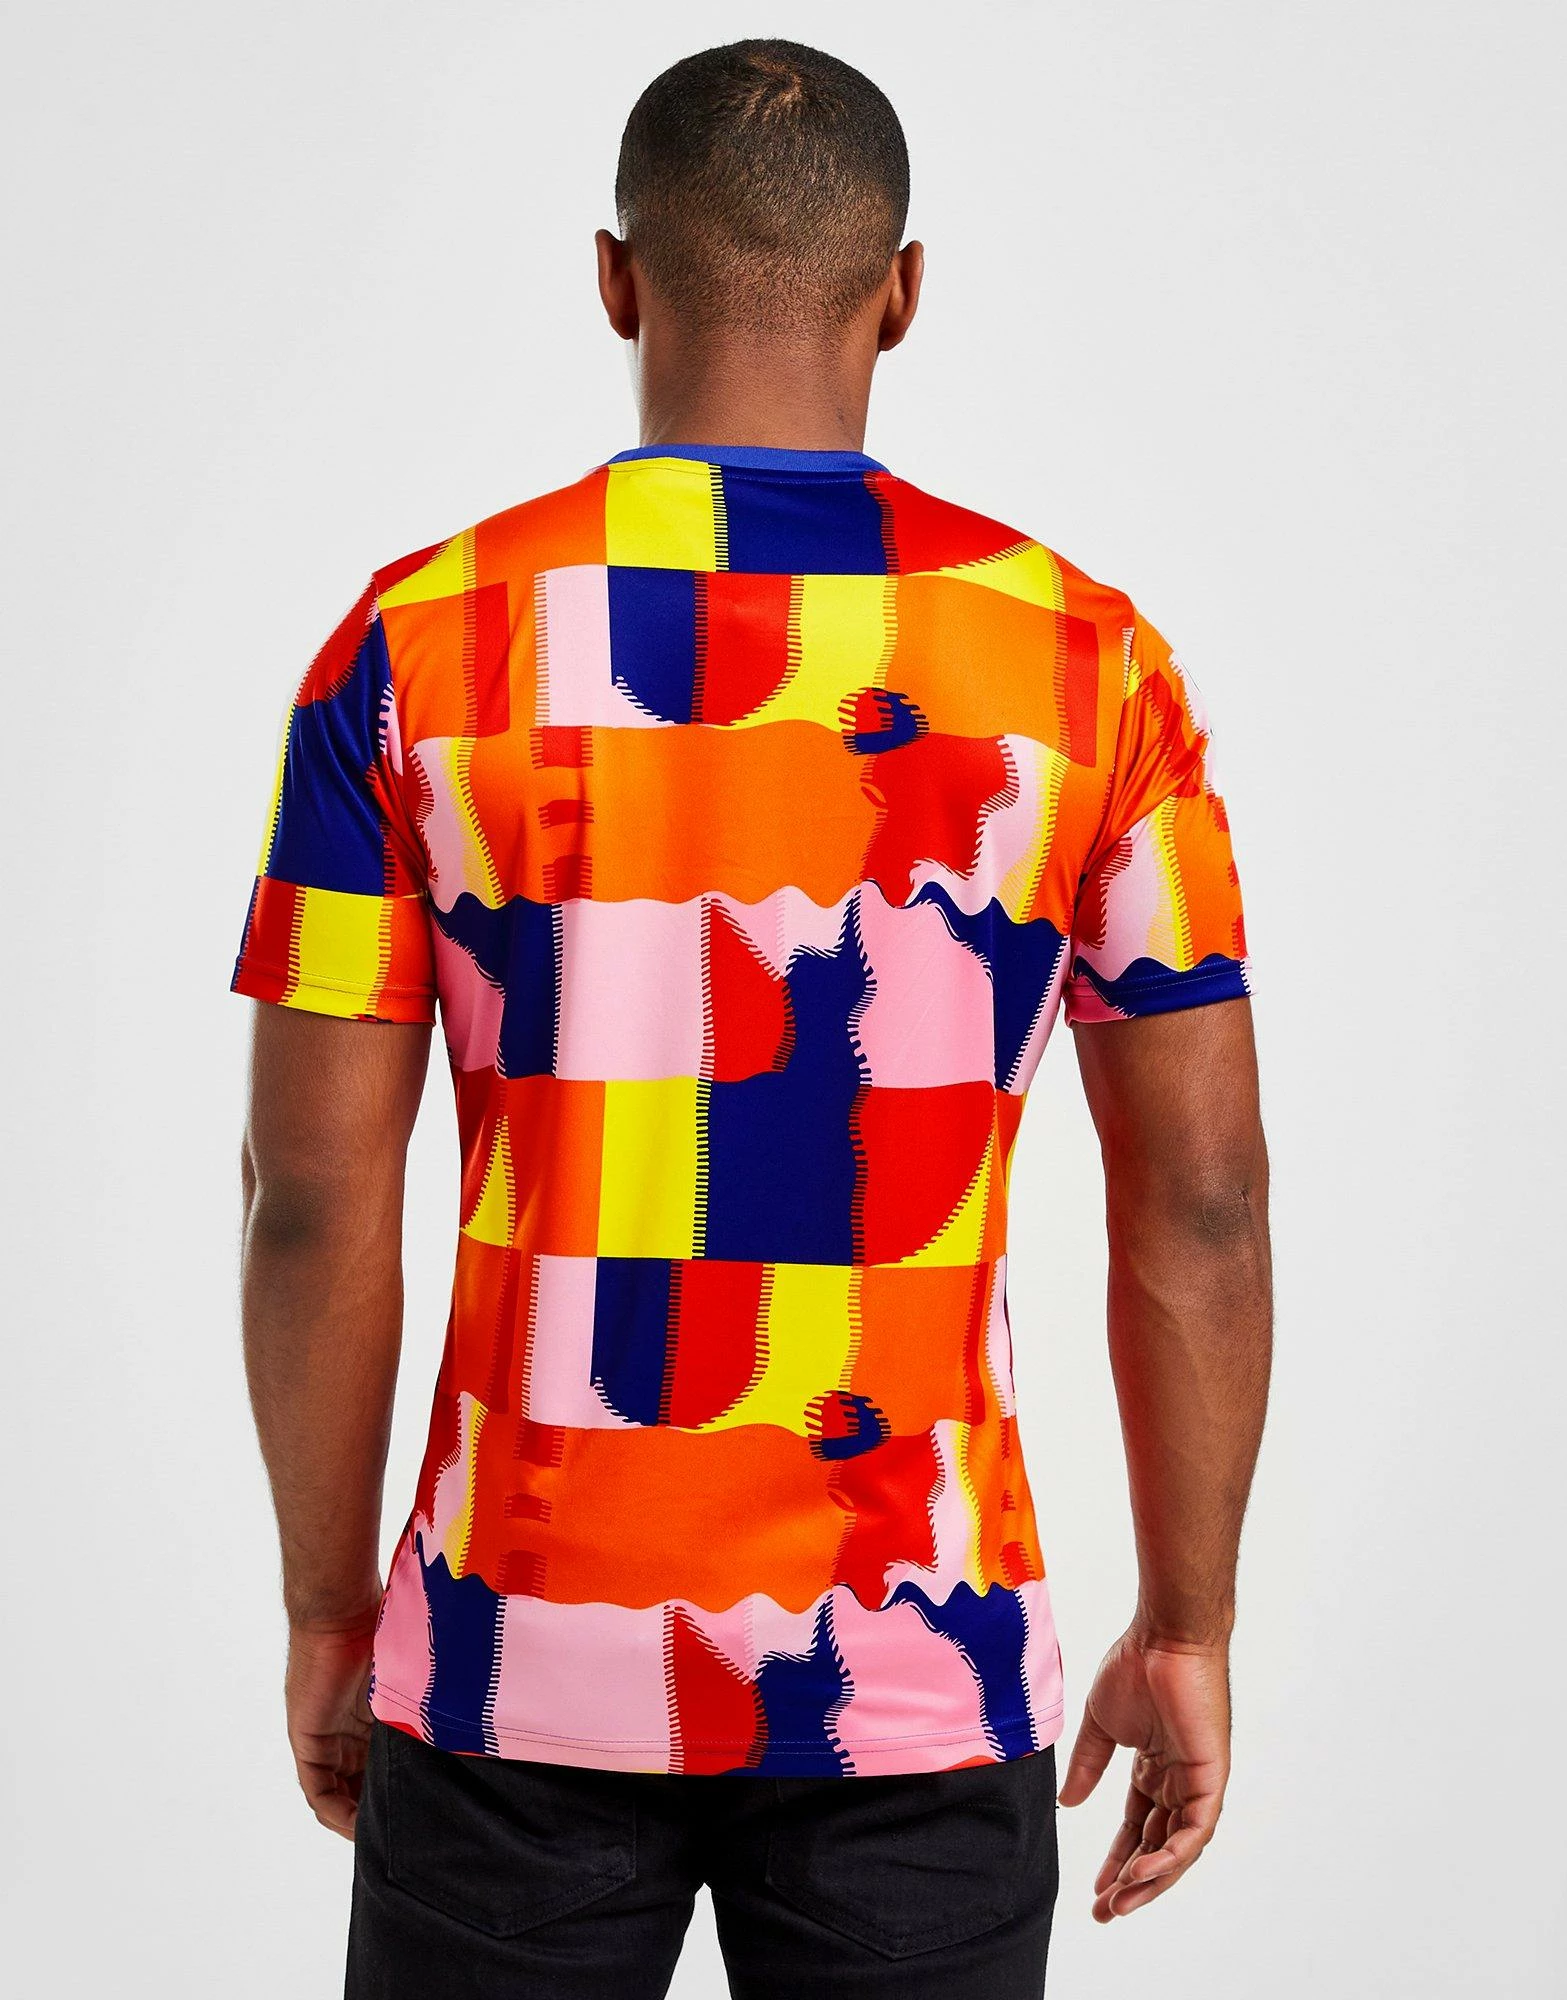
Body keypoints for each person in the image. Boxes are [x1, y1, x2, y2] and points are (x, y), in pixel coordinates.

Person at [231, 37, 1272, 2000]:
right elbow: (1203, 1200)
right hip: (916, 1656)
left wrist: (325, 1608)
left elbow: (311, 1195)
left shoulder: (414, 646)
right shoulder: (1087, 666)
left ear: (618, 281)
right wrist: (1191, 1623)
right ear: (902, 292)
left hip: (515, 1648)